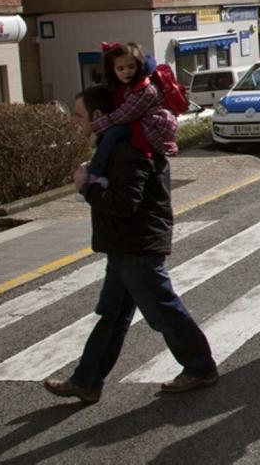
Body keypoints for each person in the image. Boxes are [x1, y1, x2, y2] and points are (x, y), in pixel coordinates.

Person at [44, 85, 217, 404]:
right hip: (124, 246)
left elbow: (126, 203)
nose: (74, 122)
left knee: (162, 310)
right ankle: (87, 380)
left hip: (138, 246)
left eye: (78, 115)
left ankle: (200, 367)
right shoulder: (116, 145)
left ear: (98, 116)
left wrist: (85, 188)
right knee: (112, 315)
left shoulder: (127, 149)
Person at [84, 42, 178, 187]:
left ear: (139, 66)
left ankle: (95, 175)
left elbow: (124, 115)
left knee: (112, 134)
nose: (126, 72)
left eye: (131, 67)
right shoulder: (124, 87)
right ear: (113, 69)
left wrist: (95, 127)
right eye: (120, 68)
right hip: (140, 124)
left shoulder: (145, 89)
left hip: (150, 126)